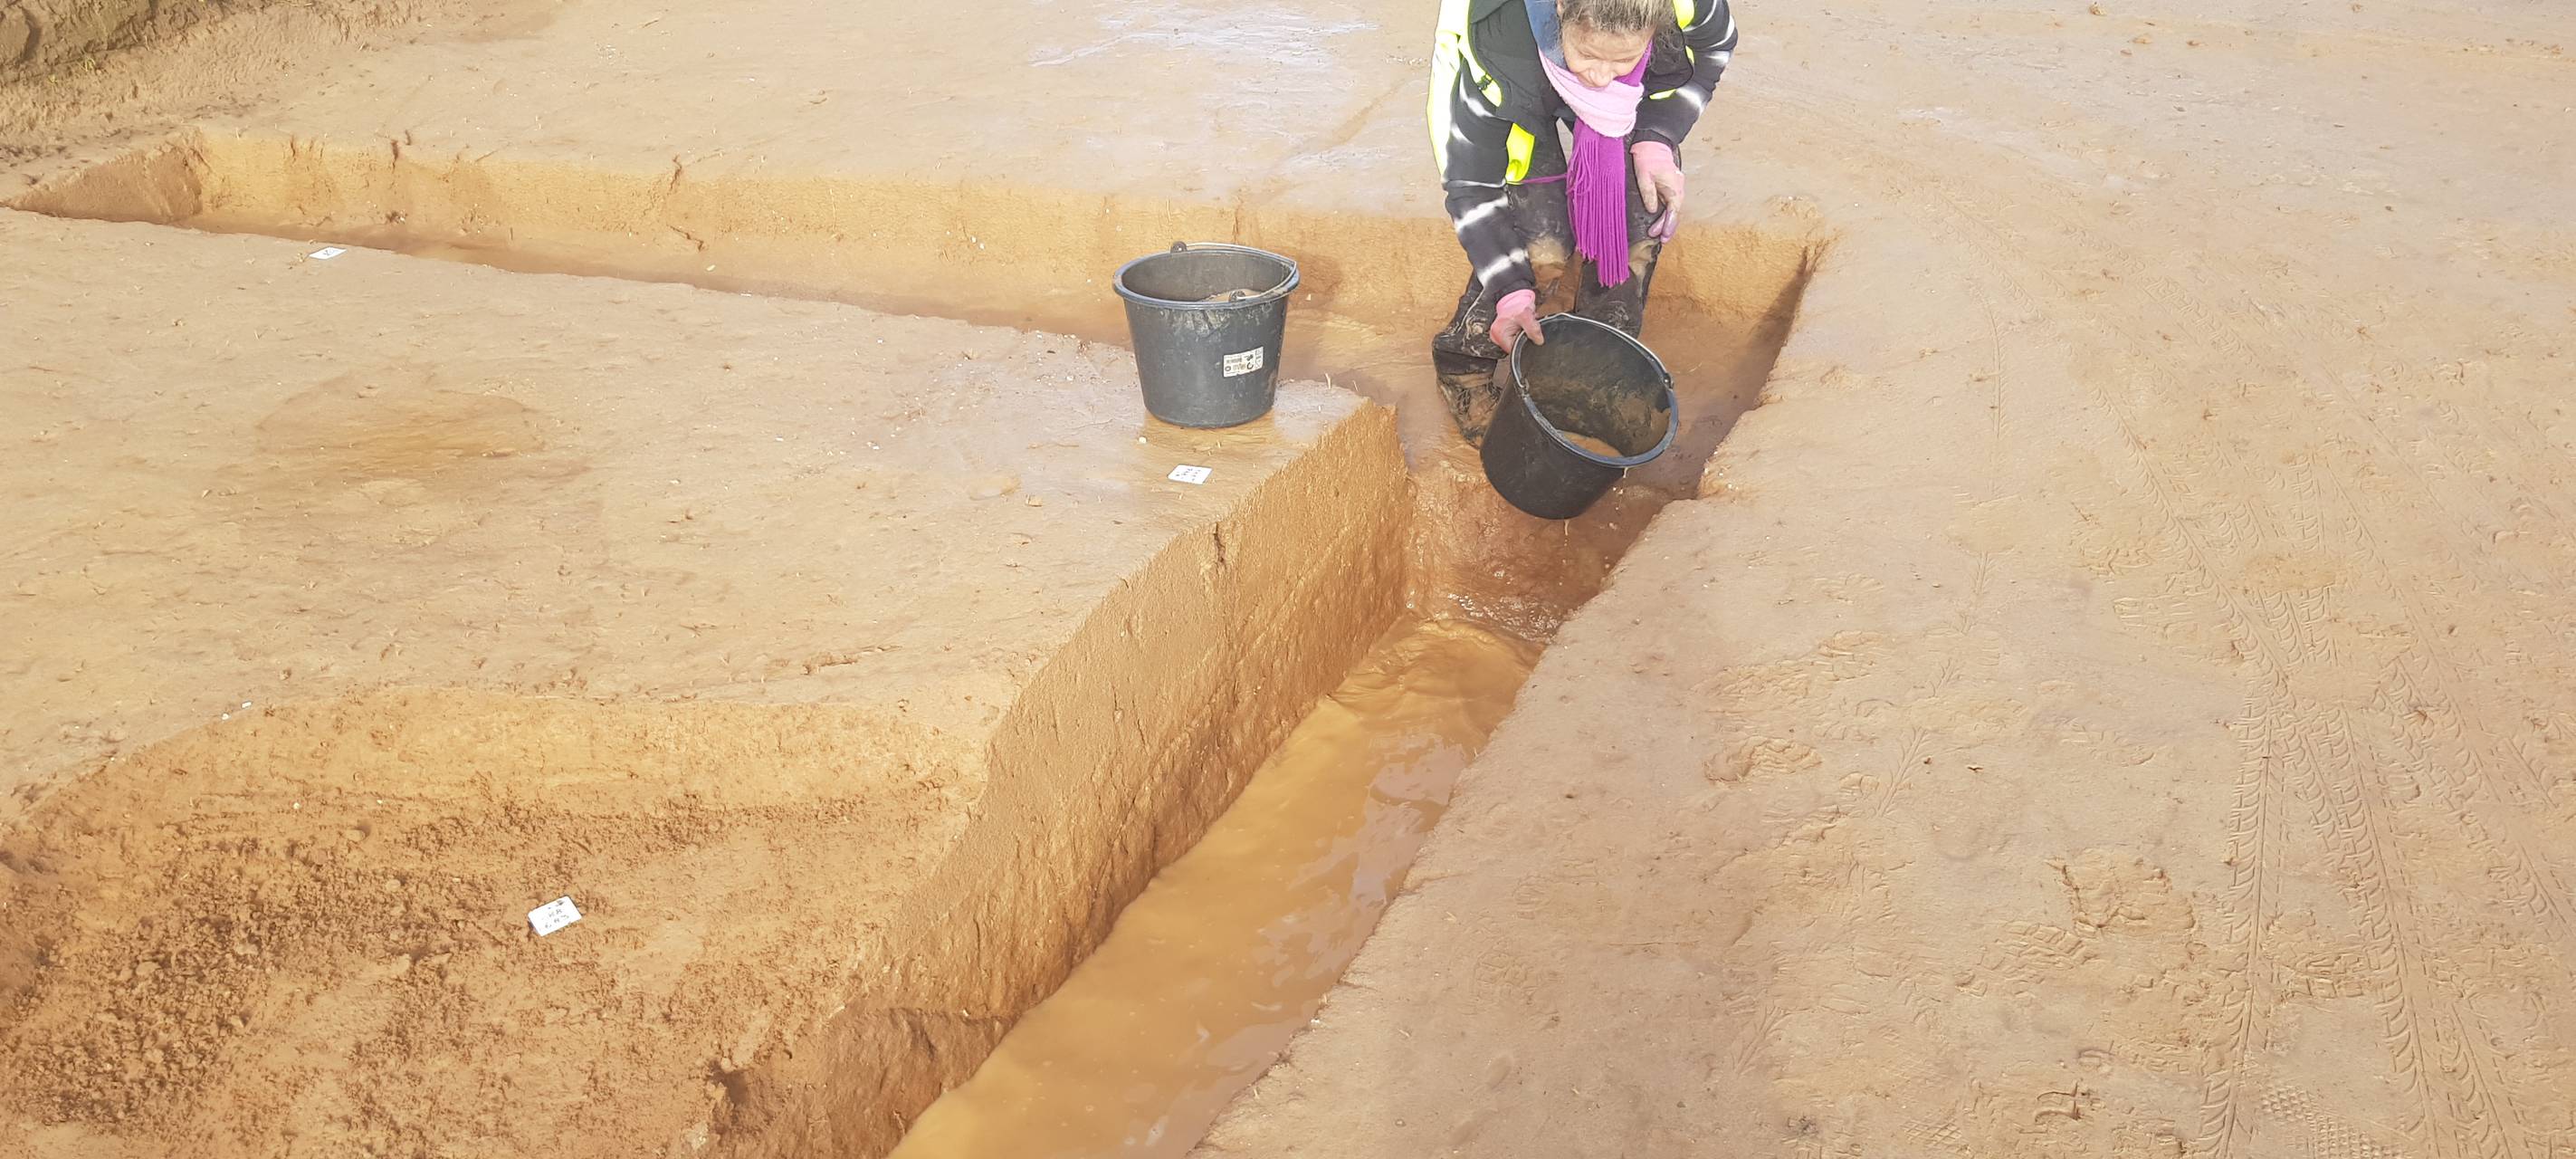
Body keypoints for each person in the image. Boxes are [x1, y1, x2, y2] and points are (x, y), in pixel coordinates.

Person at [1427, 0, 1737, 444]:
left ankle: (1595, 367)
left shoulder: (1686, 5)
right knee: (1542, 243)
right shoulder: (1496, 53)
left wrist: (1658, 135)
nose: (1601, 77)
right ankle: (1465, 365)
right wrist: (1511, 289)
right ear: (1559, 9)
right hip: (1522, 77)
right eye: (1589, 56)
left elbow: (1713, 48)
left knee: (1638, 226)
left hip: (1626, 97)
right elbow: (1472, 187)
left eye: (1622, 58)